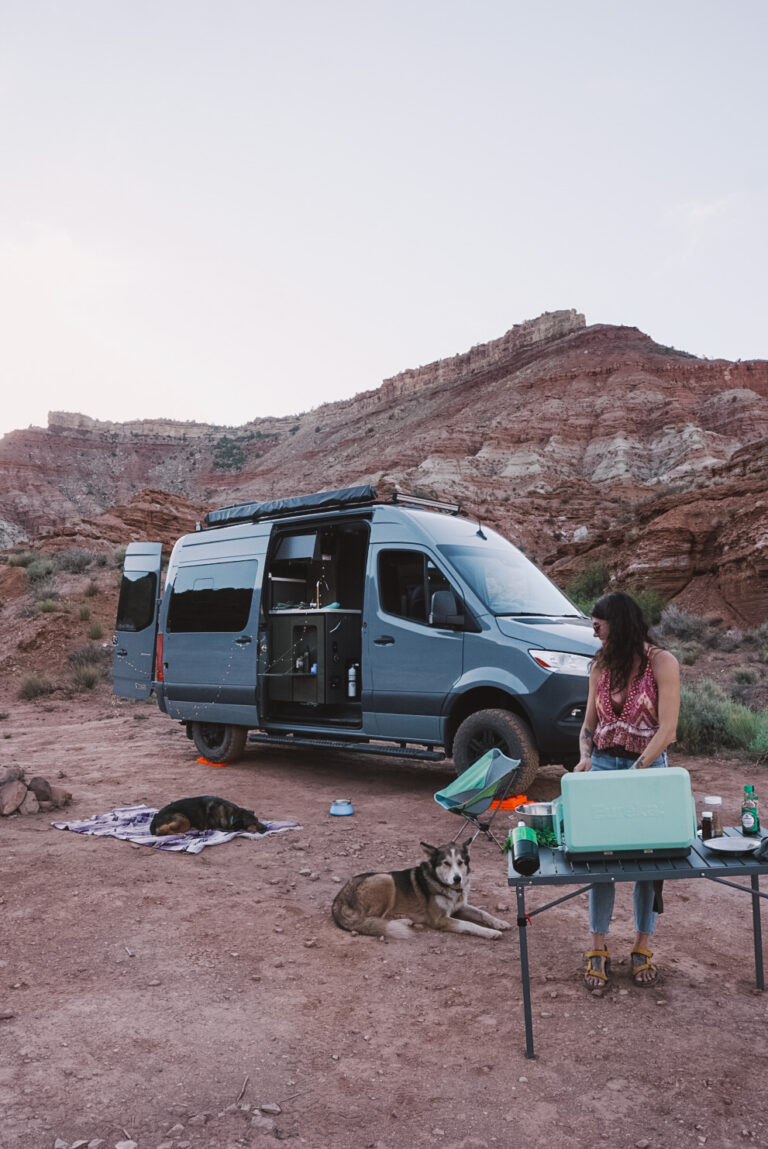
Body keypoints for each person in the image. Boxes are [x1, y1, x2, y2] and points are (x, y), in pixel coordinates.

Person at [574, 591, 681, 991]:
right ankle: (598, 948)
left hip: (649, 770)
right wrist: (585, 757)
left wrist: (634, 774)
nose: (596, 636)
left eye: (599, 628)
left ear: (617, 625)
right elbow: (588, 725)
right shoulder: (600, 665)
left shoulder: (662, 663)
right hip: (603, 765)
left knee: (647, 865)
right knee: (600, 860)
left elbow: (667, 730)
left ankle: (641, 948)